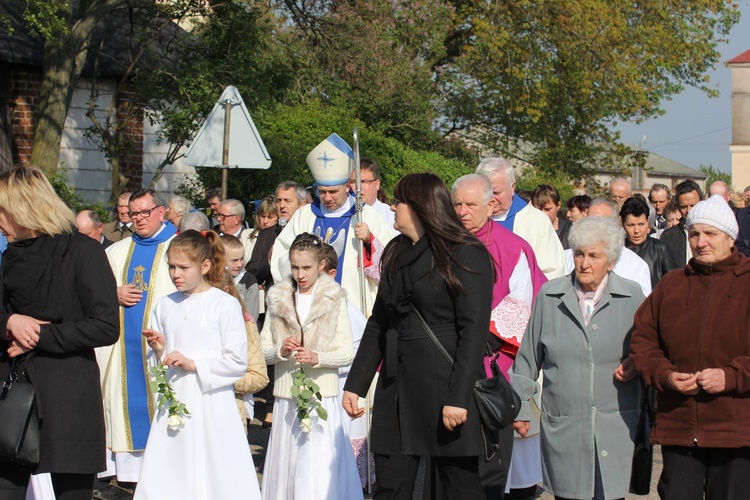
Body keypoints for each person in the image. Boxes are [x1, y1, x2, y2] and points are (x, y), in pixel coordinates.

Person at [343, 173, 494, 499]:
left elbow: (473, 332)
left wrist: (457, 398)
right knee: (391, 486)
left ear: (420, 207)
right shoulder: (396, 251)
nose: (393, 207)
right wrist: (356, 384)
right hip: (396, 391)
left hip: (445, 389)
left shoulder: (466, 254)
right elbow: (379, 323)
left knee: (458, 488)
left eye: (399, 201)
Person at [0, 166, 119, 499]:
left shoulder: (83, 252)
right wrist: (11, 323)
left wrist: (39, 336)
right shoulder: (10, 256)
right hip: (14, 395)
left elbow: (106, 325)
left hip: (68, 396)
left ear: (23, 208)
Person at [510, 216, 646, 500]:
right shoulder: (550, 295)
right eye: (580, 254)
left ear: (611, 260)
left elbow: (649, 350)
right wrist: (520, 408)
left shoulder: (632, 296)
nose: (584, 263)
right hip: (565, 427)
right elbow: (526, 360)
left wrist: (638, 363)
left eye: (594, 256)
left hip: (616, 425)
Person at [630, 194, 750, 499]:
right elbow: (644, 340)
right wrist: (665, 375)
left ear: (729, 237)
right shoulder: (671, 284)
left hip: (734, 429)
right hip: (680, 426)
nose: (701, 242)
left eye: (710, 234)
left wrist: (732, 376)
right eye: (694, 234)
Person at [135, 230, 261, 500]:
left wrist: (194, 364)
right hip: (175, 399)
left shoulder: (224, 304)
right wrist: (159, 350)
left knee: (216, 467)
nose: (175, 274)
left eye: (183, 267)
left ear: (205, 266)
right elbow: (160, 363)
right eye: (171, 266)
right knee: (172, 466)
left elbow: (237, 362)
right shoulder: (164, 305)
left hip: (211, 401)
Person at [452, 174, 547, 498]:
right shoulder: (443, 243)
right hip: (448, 359)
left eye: (470, 205)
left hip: (497, 365)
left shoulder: (512, 247)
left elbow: (522, 305)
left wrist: (475, 341)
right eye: (457, 204)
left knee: (500, 468)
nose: (463, 211)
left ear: (490, 205)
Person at [260, 233, 361, 500]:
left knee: (316, 461)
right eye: (295, 267)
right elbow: (262, 350)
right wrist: (281, 351)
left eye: (306, 267)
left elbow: (347, 352)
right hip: (287, 395)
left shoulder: (334, 297)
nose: (300, 273)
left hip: (321, 393)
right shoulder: (277, 297)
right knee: (289, 462)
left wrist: (318, 357)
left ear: (319, 265)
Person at [97, 189, 179, 492]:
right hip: (122, 352)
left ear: (162, 211)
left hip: (164, 350)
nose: (139, 219)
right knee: (122, 407)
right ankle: (127, 480)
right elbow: (92, 293)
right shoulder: (116, 252)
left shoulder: (179, 249)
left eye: (145, 212)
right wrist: (113, 293)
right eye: (134, 214)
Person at [271, 134, 394, 316]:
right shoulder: (304, 216)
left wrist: (369, 241)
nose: (327, 197)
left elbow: (390, 261)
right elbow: (280, 258)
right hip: (308, 307)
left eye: (333, 191)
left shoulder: (367, 215)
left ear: (347, 186)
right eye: (322, 192)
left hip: (353, 307)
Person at [475, 157, 567, 279]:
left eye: (497, 193)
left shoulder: (536, 221)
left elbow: (552, 273)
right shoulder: (467, 217)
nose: (491, 199)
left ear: (512, 187)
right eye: (485, 192)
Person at [563, 197, 652, 297]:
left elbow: (640, 306)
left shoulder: (636, 266)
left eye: (602, 223)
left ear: (615, 224)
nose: (595, 228)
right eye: (591, 221)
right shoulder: (565, 258)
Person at [620, 197, 679, 288]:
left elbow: (673, 285)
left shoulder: (661, 250)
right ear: (623, 224)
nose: (636, 231)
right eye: (631, 225)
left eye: (641, 224)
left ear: (647, 222)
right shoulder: (617, 250)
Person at [660, 180, 703, 266]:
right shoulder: (668, 236)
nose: (689, 210)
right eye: (684, 207)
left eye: (693, 205)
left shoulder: (714, 233)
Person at [348, 158, 396, 231]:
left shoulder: (391, 217)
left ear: (377, 184)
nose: (359, 188)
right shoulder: (345, 213)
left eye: (364, 181)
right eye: (353, 182)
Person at [221, 234, 260, 321]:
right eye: (234, 260)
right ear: (220, 259)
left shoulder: (249, 282)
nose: (239, 264)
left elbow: (251, 318)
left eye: (241, 259)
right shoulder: (210, 280)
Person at [532, 184, 570, 249]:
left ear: (558, 205)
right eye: (538, 209)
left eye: (547, 209)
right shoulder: (528, 230)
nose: (543, 213)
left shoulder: (570, 231)